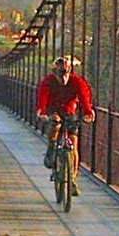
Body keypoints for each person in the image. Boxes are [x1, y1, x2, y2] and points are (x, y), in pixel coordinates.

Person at [36, 56, 95, 196]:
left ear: (69, 72)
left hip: (69, 111)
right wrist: (41, 111)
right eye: (59, 75)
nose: (63, 78)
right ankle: (51, 147)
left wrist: (88, 113)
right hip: (53, 109)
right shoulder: (48, 81)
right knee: (55, 122)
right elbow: (42, 96)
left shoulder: (77, 81)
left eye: (65, 74)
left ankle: (73, 180)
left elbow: (84, 98)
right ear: (54, 73)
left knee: (73, 146)